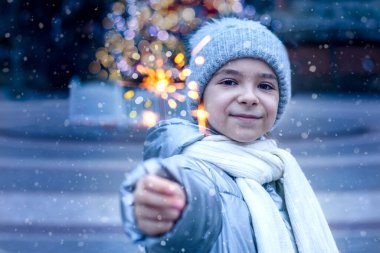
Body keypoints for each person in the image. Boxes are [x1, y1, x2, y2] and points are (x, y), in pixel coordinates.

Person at [120, 17, 338, 253]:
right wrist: (167, 210)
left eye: (265, 86)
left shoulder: (275, 169)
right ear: (200, 97)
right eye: (230, 81)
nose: (249, 97)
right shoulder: (190, 168)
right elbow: (191, 208)